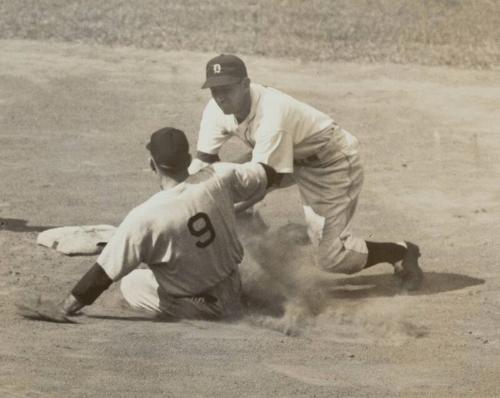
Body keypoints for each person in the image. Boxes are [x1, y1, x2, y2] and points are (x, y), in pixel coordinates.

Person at [189, 54, 423, 291]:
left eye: (226, 89)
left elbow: (266, 180)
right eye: (214, 90)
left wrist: (227, 205)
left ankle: (401, 251)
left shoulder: (272, 116)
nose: (220, 97)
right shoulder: (216, 109)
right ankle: (279, 264)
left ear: (245, 84)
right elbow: (204, 162)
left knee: (331, 258)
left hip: (330, 162)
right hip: (284, 155)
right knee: (226, 195)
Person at [60, 127, 276, 320]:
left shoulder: (145, 217)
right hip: (233, 288)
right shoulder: (218, 176)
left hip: (200, 307)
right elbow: (268, 173)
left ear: (152, 163)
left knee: (131, 281)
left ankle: (195, 312)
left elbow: (102, 275)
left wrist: (65, 308)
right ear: (189, 160)